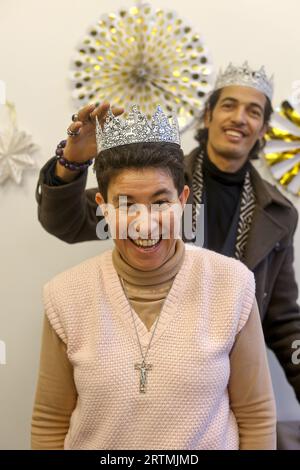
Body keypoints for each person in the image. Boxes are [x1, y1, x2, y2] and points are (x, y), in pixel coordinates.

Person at [35, 63, 300, 446]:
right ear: (207, 115)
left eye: (254, 111)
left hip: (216, 388)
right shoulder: (155, 175)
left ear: (263, 128)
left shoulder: (278, 214)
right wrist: (72, 162)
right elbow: (67, 222)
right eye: (229, 105)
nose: (239, 118)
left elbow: (284, 319)